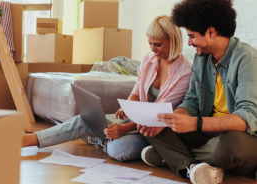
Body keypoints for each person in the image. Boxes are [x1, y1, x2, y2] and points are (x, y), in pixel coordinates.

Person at [23, 15, 191, 162]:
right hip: (138, 121)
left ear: (173, 41)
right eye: (150, 44)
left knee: (120, 149)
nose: (153, 50)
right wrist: (127, 108)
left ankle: (102, 140)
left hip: (157, 130)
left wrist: (125, 128)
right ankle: (29, 140)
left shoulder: (184, 72)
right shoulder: (149, 59)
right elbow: (137, 91)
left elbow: (156, 114)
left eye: (158, 45)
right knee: (83, 119)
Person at [139, 0, 257, 184]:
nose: (189, 43)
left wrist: (194, 123)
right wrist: (172, 119)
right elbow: (192, 100)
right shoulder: (202, 59)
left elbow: (245, 118)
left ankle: (174, 157)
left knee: (230, 149)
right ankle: (192, 167)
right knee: (153, 126)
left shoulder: (247, 60)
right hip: (208, 132)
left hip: (240, 136)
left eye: (192, 36)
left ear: (210, 32)